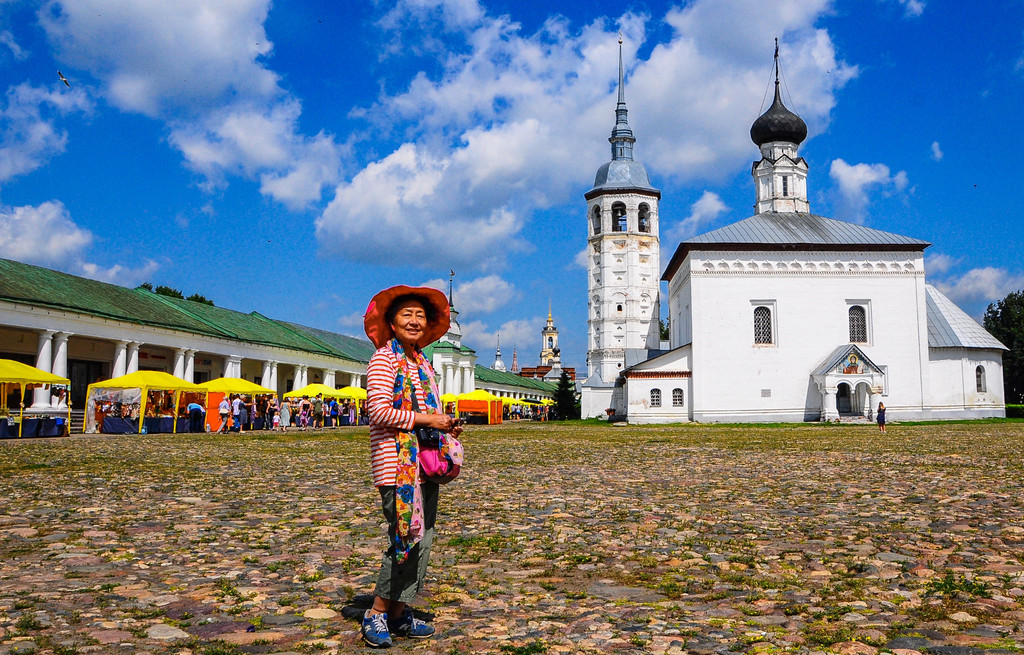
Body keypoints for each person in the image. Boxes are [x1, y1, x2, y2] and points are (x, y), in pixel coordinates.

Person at [360, 285, 463, 648]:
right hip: (396, 466)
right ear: (391, 321)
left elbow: (425, 413)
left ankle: (400, 613)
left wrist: (443, 423)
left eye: (421, 315)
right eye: (407, 314)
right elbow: (378, 411)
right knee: (404, 537)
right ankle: (375, 612)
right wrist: (427, 420)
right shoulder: (383, 360)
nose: (415, 321)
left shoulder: (421, 363)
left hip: (423, 464)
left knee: (424, 538)